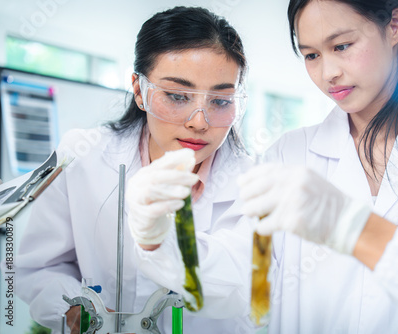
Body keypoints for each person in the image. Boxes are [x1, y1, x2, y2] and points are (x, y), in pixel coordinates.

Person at [238, 0, 398, 333]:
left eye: (342, 45)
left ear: (395, 25)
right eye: (311, 55)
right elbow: (244, 292)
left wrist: (359, 229)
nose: (328, 73)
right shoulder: (287, 155)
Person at [15, 6, 254, 334]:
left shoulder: (252, 182)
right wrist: (72, 309)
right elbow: (36, 267)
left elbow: (241, 288)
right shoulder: (83, 156)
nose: (199, 122)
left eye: (221, 101)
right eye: (176, 95)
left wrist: (158, 238)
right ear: (140, 90)